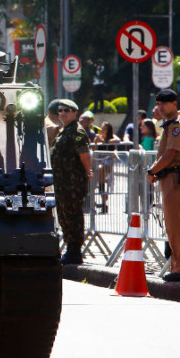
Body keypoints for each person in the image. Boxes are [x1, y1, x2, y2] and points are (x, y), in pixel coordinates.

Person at [146, 88, 180, 282]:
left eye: (164, 103)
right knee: (173, 226)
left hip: (175, 179)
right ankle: (179, 266)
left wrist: (152, 170)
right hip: (170, 178)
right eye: (158, 104)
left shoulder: (177, 125)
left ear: (174, 104)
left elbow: (170, 154)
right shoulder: (169, 125)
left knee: (177, 225)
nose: (160, 107)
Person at [51, 98, 93, 265]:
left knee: (73, 214)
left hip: (72, 181)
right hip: (62, 182)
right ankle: (69, 247)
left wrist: (87, 172)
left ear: (75, 113)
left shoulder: (77, 131)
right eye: (60, 110)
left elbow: (85, 155)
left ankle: (75, 250)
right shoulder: (64, 130)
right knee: (64, 214)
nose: (62, 113)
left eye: (66, 111)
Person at [93, 121, 121, 214]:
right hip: (99, 162)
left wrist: (105, 141)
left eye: (105, 129)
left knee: (102, 168)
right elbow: (94, 149)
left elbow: (117, 140)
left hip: (108, 163)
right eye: (102, 128)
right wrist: (96, 142)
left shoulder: (112, 137)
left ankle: (102, 192)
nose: (103, 130)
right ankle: (103, 201)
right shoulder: (98, 137)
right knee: (98, 176)